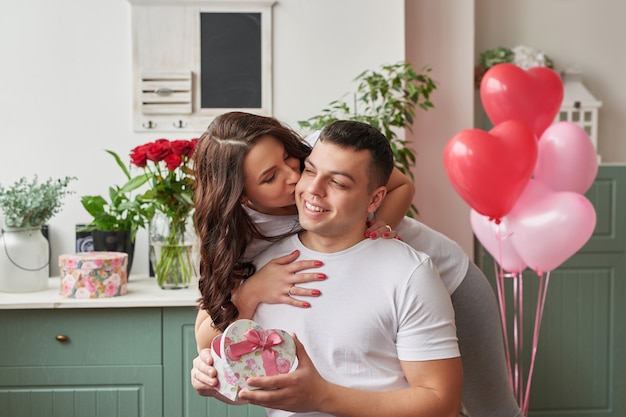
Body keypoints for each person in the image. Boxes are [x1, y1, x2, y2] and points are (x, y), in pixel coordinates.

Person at [191, 112, 523, 417]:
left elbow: (401, 185)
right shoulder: (243, 238)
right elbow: (208, 338)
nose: (296, 176)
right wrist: (251, 291)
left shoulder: (323, 154)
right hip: (377, 301)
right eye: (270, 177)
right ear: (243, 196)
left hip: (450, 280)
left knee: (490, 408)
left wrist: (377, 230)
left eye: (291, 159)